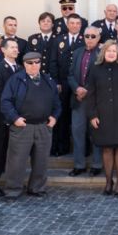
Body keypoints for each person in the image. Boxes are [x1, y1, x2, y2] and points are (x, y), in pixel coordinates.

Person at [0, 52, 61, 199]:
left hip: (43, 126)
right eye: (30, 63)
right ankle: (13, 190)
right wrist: (15, 119)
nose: (34, 65)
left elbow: (57, 102)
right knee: (17, 161)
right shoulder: (15, 80)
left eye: (36, 62)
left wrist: (55, 117)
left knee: (41, 160)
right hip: (22, 127)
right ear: (24, 64)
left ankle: (37, 188)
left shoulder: (48, 80)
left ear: (40, 63)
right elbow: (5, 101)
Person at [86, 40, 118, 196]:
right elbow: (91, 94)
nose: (111, 53)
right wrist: (93, 115)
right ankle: (108, 181)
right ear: (103, 53)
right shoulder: (95, 69)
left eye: (114, 51)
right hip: (102, 116)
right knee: (107, 148)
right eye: (108, 50)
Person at [67, 27, 103, 177]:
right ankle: (79, 165)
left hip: (96, 101)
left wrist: (87, 90)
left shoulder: (103, 54)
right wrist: (77, 89)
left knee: (96, 133)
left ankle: (97, 164)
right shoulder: (77, 53)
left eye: (93, 36)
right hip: (78, 100)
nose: (89, 38)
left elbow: (103, 76)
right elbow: (69, 75)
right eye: (87, 36)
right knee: (77, 133)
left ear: (98, 38)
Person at [0, 38, 21, 196]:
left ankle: (13, 183)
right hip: (2, 117)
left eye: (16, 47)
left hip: (19, 118)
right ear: (3, 50)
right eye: (12, 47)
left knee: (15, 152)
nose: (15, 50)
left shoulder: (21, 68)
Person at [49, 13, 84, 156]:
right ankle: (61, 147)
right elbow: (53, 62)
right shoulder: (58, 40)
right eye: (72, 23)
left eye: (77, 23)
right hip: (62, 84)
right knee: (61, 116)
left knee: (80, 116)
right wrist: (56, 81)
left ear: (81, 26)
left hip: (79, 85)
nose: (75, 25)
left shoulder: (84, 40)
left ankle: (83, 149)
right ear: (67, 25)